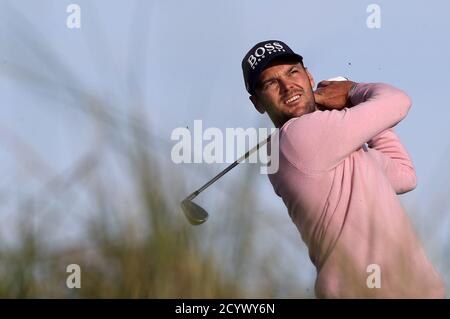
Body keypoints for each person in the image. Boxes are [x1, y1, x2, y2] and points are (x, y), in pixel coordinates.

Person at [241, 40, 445, 298]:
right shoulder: (297, 137)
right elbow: (398, 101)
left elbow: (404, 174)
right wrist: (352, 91)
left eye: (293, 72)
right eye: (270, 83)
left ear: (309, 76)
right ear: (258, 103)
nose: (286, 86)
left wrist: (352, 107)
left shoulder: (337, 148)